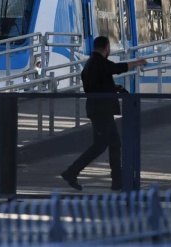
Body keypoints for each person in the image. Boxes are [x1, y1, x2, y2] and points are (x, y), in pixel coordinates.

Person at [61, 36, 147, 192]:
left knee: (111, 144)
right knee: (102, 145)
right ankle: (72, 172)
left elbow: (100, 84)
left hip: (99, 110)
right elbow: (116, 68)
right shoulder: (98, 62)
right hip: (101, 111)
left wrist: (115, 88)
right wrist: (138, 63)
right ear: (107, 47)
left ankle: (116, 181)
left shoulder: (92, 64)